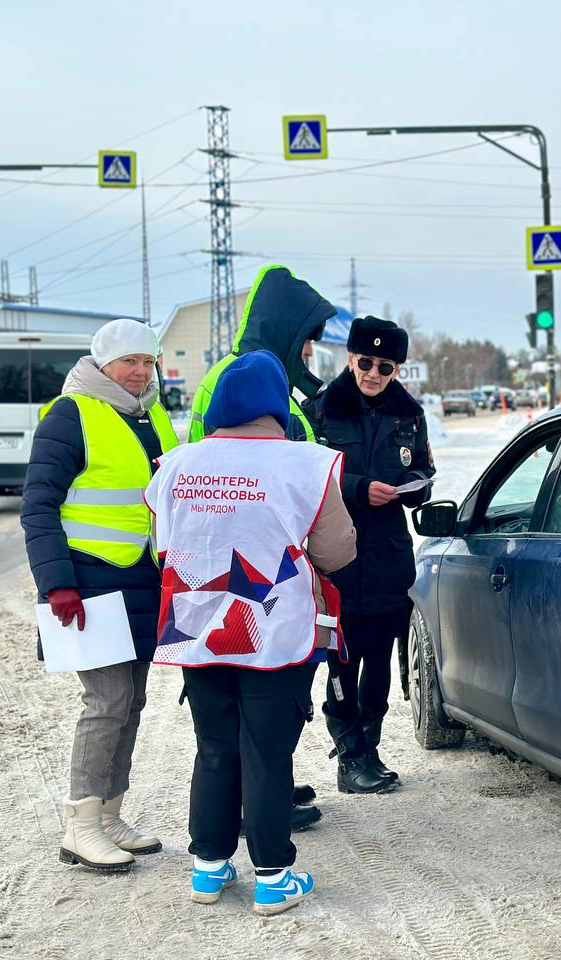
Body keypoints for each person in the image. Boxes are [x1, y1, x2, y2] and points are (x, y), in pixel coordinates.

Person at [145, 350, 357, 915]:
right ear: (276, 405)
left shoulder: (174, 465)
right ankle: (272, 876)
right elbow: (336, 552)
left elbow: (161, 547)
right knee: (267, 752)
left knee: (214, 748)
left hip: (198, 630)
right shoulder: (307, 464)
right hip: (272, 633)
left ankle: (209, 869)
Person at [21, 318, 178, 872]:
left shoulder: (154, 417)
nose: (139, 372)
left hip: (141, 580)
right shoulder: (71, 414)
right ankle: (81, 826)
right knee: (107, 702)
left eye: (147, 362)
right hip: (86, 586)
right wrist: (57, 584)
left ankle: (111, 814)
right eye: (129, 362)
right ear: (103, 364)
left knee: (131, 703)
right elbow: (38, 506)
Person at [189, 261, 336, 830]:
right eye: (307, 343)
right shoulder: (236, 377)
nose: (310, 356)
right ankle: (261, 805)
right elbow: (232, 473)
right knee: (256, 695)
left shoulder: (271, 377)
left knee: (265, 701)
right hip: (250, 565)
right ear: (285, 331)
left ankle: (267, 788)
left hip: (268, 561)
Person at [307, 316, 434, 793]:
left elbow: (422, 466)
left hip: (387, 553)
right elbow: (308, 473)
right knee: (342, 658)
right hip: (337, 555)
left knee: (379, 658)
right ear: (350, 359)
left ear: (396, 369)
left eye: (385, 366)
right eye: (366, 363)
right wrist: (360, 489)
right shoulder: (322, 409)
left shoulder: (410, 414)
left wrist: (413, 489)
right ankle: (348, 755)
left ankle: (370, 748)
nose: (374, 374)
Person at [189, 263, 335, 443]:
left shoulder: (229, 378)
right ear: (284, 335)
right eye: (306, 341)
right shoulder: (246, 385)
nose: (310, 352)